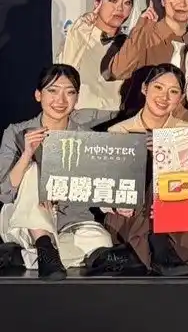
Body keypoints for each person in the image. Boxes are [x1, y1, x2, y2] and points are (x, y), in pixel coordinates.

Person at [103, 64, 188, 275]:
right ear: (145, 88)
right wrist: (115, 204)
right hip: (134, 214)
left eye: (173, 91)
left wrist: (174, 203)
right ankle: (163, 248)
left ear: (181, 98)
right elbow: (103, 186)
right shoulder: (118, 132)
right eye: (158, 87)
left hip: (175, 213)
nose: (164, 97)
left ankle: (151, 253)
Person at [0, 65, 116, 279]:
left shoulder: (87, 137)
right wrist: (27, 154)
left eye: (69, 92)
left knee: (102, 241)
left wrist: (116, 204)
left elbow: (98, 189)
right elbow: (5, 193)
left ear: (77, 97)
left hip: (72, 222)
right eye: (52, 91)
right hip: (24, 221)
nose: (60, 100)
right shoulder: (16, 132)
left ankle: (27, 256)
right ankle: (43, 242)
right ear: (38, 95)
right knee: (33, 168)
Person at [105, 0, 188, 117]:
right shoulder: (146, 33)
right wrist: (141, 29)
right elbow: (118, 71)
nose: (182, 3)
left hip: (183, 125)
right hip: (142, 125)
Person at [56, 0, 133, 112]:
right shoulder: (78, 36)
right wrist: (80, 32)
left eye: (127, 3)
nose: (120, 8)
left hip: (118, 118)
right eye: (113, 0)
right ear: (97, 2)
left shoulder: (130, 44)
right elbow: (63, 74)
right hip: (80, 117)